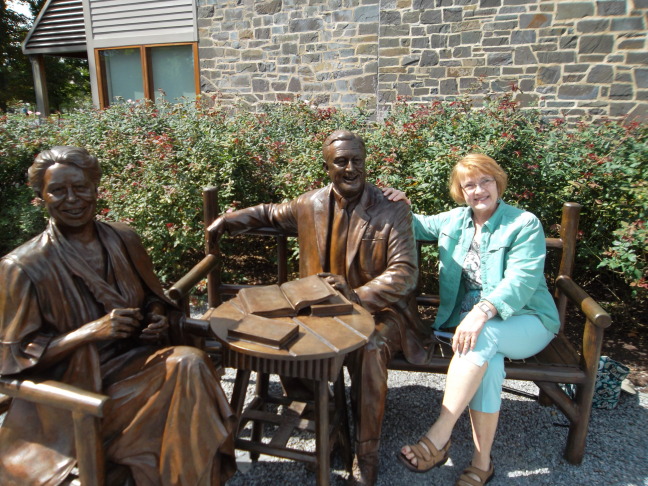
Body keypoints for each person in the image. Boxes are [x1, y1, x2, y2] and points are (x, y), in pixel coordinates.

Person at [0, 146, 237, 486]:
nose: (73, 199)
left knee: (190, 365)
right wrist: (90, 332)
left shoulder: (123, 238)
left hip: (133, 365)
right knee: (187, 384)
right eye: (58, 190)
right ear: (41, 197)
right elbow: (10, 363)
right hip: (74, 393)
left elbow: (153, 298)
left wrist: (155, 316)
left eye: (81, 187)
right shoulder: (22, 267)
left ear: (96, 188)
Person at [208, 130, 428, 485]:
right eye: (342, 161)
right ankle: (329, 417)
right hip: (321, 307)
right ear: (327, 166)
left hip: (381, 310)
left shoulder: (392, 207)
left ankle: (365, 453)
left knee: (369, 348)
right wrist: (230, 220)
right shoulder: (309, 203)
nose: (351, 167)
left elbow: (405, 273)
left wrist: (356, 295)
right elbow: (270, 213)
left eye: (357, 159)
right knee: (285, 335)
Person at [385, 154, 559, 485]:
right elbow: (415, 224)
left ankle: (440, 435)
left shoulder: (523, 224)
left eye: (486, 181)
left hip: (529, 321)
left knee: (483, 337)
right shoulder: (453, 221)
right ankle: (481, 463)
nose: (479, 190)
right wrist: (401, 203)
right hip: (477, 332)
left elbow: (520, 280)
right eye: (470, 185)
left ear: (498, 183)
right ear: (461, 192)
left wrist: (482, 311)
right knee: (488, 362)